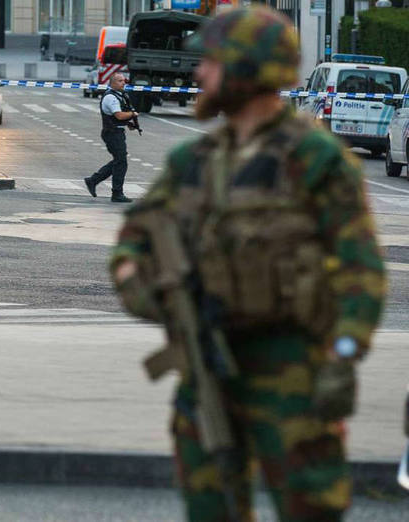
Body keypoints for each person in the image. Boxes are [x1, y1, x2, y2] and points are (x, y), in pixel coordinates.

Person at [109, 6, 385, 521]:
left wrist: (343, 355)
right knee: (210, 508)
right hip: (207, 367)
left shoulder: (316, 159)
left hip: (294, 376)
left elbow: (361, 271)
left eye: (210, 62)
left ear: (245, 69)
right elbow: (133, 240)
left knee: (311, 509)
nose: (198, 73)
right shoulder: (192, 163)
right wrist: (151, 292)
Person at [84, 72, 136, 203]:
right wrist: (133, 114)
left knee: (119, 161)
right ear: (112, 83)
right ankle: (117, 193)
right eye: (120, 81)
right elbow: (118, 115)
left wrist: (128, 123)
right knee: (121, 162)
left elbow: (118, 117)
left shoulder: (119, 95)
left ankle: (93, 180)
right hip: (111, 133)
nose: (123, 83)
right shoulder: (110, 97)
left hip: (117, 132)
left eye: (124, 81)